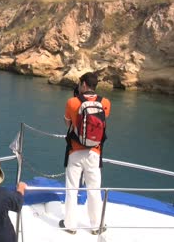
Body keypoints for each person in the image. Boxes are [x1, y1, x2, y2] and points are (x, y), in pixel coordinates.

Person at [61, 72, 111, 235]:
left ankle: (70, 225)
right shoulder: (105, 102)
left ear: (83, 85)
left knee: (72, 189)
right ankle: (96, 226)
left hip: (75, 151)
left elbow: (67, 122)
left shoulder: (72, 102)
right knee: (94, 190)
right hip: (94, 152)